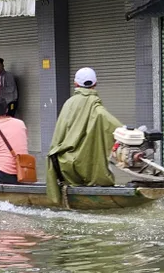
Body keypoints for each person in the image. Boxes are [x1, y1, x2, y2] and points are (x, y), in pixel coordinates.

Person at [46, 67, 123, 203]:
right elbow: (114, 126)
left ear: (76, 84)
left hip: (65, 167)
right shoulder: (96, 107)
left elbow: (58, 136)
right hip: (87, 169)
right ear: (95, 84)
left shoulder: (68, 104)